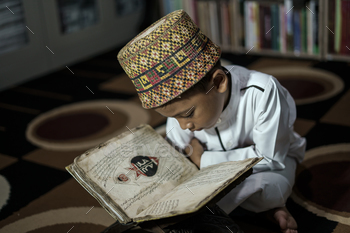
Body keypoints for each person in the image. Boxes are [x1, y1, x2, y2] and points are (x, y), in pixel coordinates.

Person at [117, 9, 306, 233]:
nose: (184, 126)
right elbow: (179, 154)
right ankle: (266, 209)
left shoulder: (263, 92)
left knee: (269, 185)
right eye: (172, 118)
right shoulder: (182, 113)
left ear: (218, 83)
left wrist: (203, 159)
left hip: (269, 165)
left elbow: (271, 159)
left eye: (187, 115)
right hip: (214, 171)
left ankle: (268, 207)